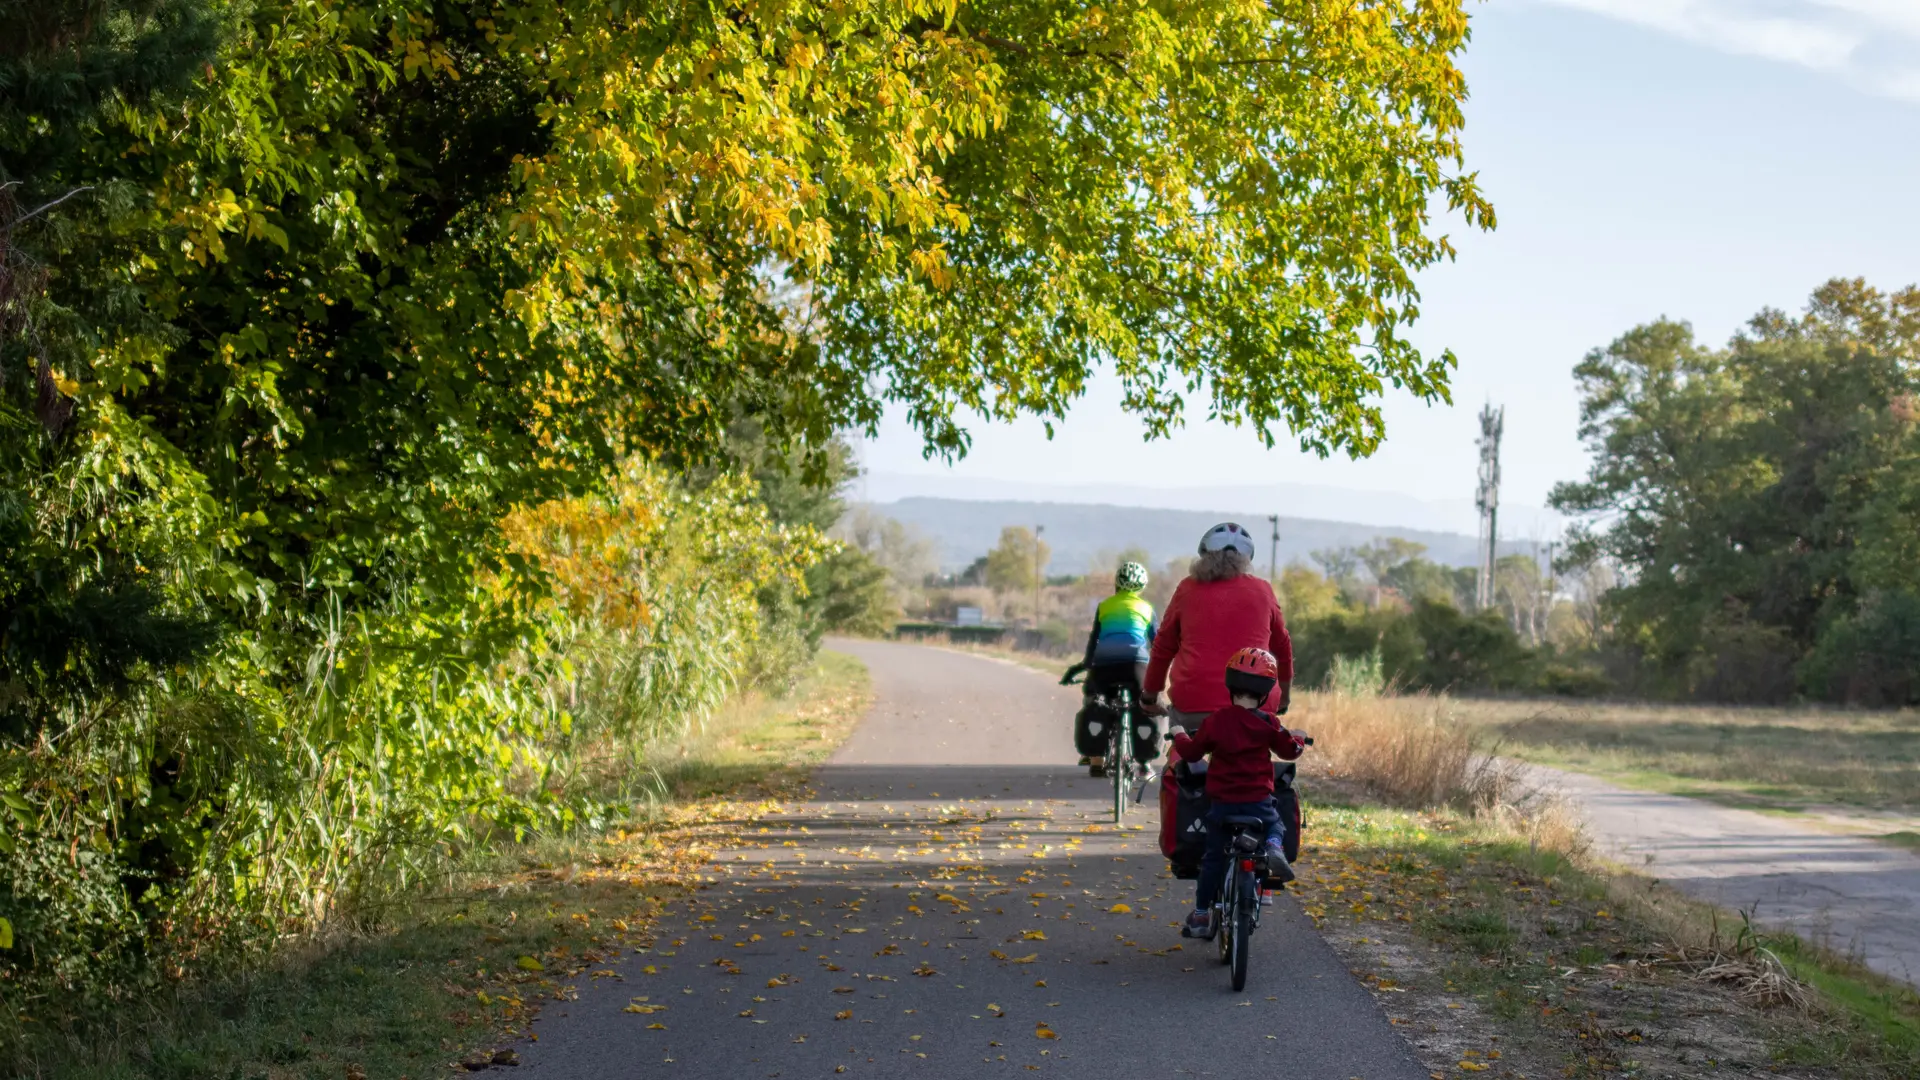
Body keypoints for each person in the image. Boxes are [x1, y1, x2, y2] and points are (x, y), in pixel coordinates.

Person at [1170, 647, 1306, 939]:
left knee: (1213, 859)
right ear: (1265, 693)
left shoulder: (1217, 721)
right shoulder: (1268, 723)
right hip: (1258, 803)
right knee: (1275, 824)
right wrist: (1299, 738)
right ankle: (1273, 847)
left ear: (1230, 685)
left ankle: (1202, 915)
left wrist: (1179, 734)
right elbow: (1289, 751)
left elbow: (1191, 753)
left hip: (1223, 805)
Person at [1143, 522, 1293, 734]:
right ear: (1245, 559)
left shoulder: (1187, 588)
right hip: (1256, 705)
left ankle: (1181, 756)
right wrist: (1283, 697)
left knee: (1184, 747)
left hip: (1194, 704)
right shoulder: (1263, 590)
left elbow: (1163, 647)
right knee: (1257, 746)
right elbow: (1283, 648)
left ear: (1205, 555)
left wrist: (1150, 695)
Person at [1059, 561, 1158, 774]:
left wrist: (1082, 667)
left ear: (1117, 583)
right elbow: (1158, 643)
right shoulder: (1147, 609)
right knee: (1144, 705)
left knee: (1095, 700)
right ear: (1142, 587)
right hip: (1136, 666)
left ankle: (1096, 759)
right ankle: (1144, 762)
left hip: (1105, 666)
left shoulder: (1104, 606)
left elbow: (1094, 641)